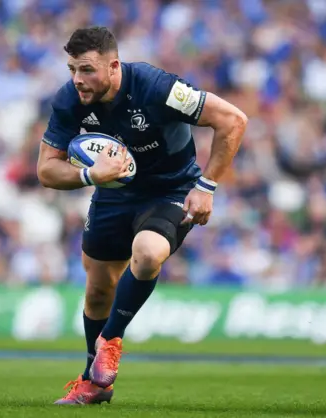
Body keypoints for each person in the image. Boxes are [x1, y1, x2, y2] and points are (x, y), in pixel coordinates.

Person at [37, 26, 248, 405]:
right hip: (114, 195)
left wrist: (207, 186)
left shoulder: (157, 88)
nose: (77, 80)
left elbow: (233, 120)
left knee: (149, 252)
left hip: (170, 190)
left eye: (86, 70)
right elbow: (46, 170)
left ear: (114, 65)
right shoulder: (70, 100)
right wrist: (89, 175)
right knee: (99, 289)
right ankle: (96, 386)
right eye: (72, 69)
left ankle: (110, 340)